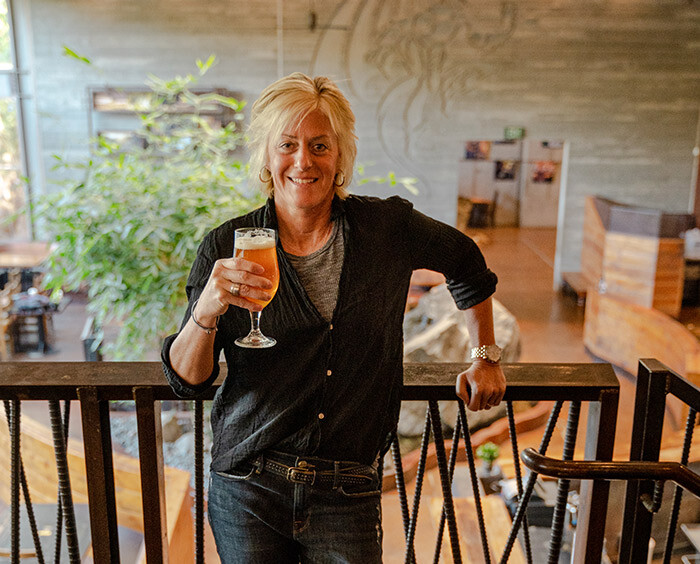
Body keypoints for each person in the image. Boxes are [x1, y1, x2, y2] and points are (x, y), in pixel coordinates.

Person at [162, 72, 506, 563]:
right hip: (248, 486)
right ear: (266, 155)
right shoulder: (226, 245)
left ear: (340, 155)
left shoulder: (387, 228)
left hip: (348, 490)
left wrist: (485, 356)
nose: (303, 160)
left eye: (319, 145)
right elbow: (187, 379)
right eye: (287, 145)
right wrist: (206, 312)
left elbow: (468, 264)